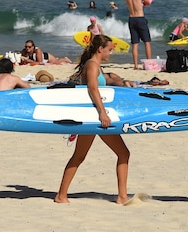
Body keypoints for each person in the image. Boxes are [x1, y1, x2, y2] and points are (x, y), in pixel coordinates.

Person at [55, 34, 133, 204]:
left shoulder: (97, 66)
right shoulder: (92, 65)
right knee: (123, 153)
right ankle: (122, 197)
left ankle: (61, 195)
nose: (111, 53)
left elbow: (106, 82)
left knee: (79, 156)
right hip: (94, 117)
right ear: (100, 49)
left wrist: (124, 82)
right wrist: (102, 113)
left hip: (90, 117)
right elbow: (92, 88)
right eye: (110, 50)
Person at [124, 0, 158, 69]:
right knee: (147, 42)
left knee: (135, 43)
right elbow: (147, 2)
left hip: (131, 19)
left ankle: (135, 65)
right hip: (140, 18)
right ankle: (149, 63)